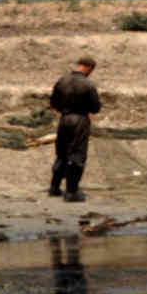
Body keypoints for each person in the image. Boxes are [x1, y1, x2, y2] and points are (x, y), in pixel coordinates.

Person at [48, 55, 101, 202]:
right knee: (77, 155)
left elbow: (53, 103)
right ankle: (71, 192)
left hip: (64, 120)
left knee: (61, 153)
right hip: (80, 121)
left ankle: (54, 187)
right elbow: (95, 108)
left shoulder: (62, 81)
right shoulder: (88, 85)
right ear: (89, 68)